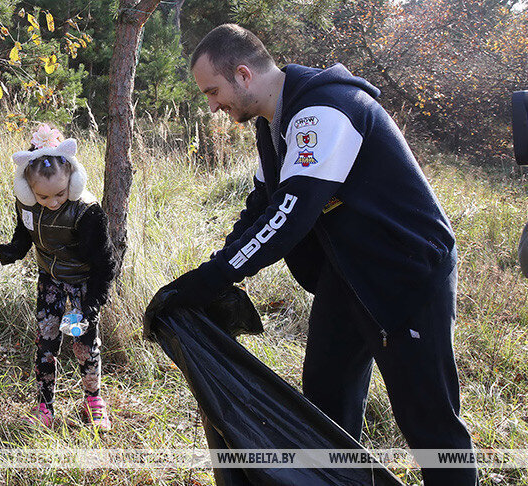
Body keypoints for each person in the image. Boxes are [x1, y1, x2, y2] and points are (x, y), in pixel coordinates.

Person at [145, 24, 477, 484]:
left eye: (213, 91)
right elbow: (260, 209)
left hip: (407, 275)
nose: (212, 105)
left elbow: (291, 213)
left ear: (243, 75)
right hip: (349, 277)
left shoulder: (326, 111)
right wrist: (207, 275)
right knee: (325, 401)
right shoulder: (273, 125)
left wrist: (214, 279)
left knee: (429, 422)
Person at [0, 124, 117, 431]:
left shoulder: (86, 212)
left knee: (84, 344)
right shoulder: (27, 202)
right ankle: (45, 406)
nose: (52, 202)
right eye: (42, 196)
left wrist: (92, 304)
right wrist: (14, 250)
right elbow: (26, 231)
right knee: (46, 342)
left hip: (82, 286)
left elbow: (105, 264)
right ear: (28, 189)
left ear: (73, 181)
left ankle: (93, 401)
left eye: (60, 194)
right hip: (49, 280)